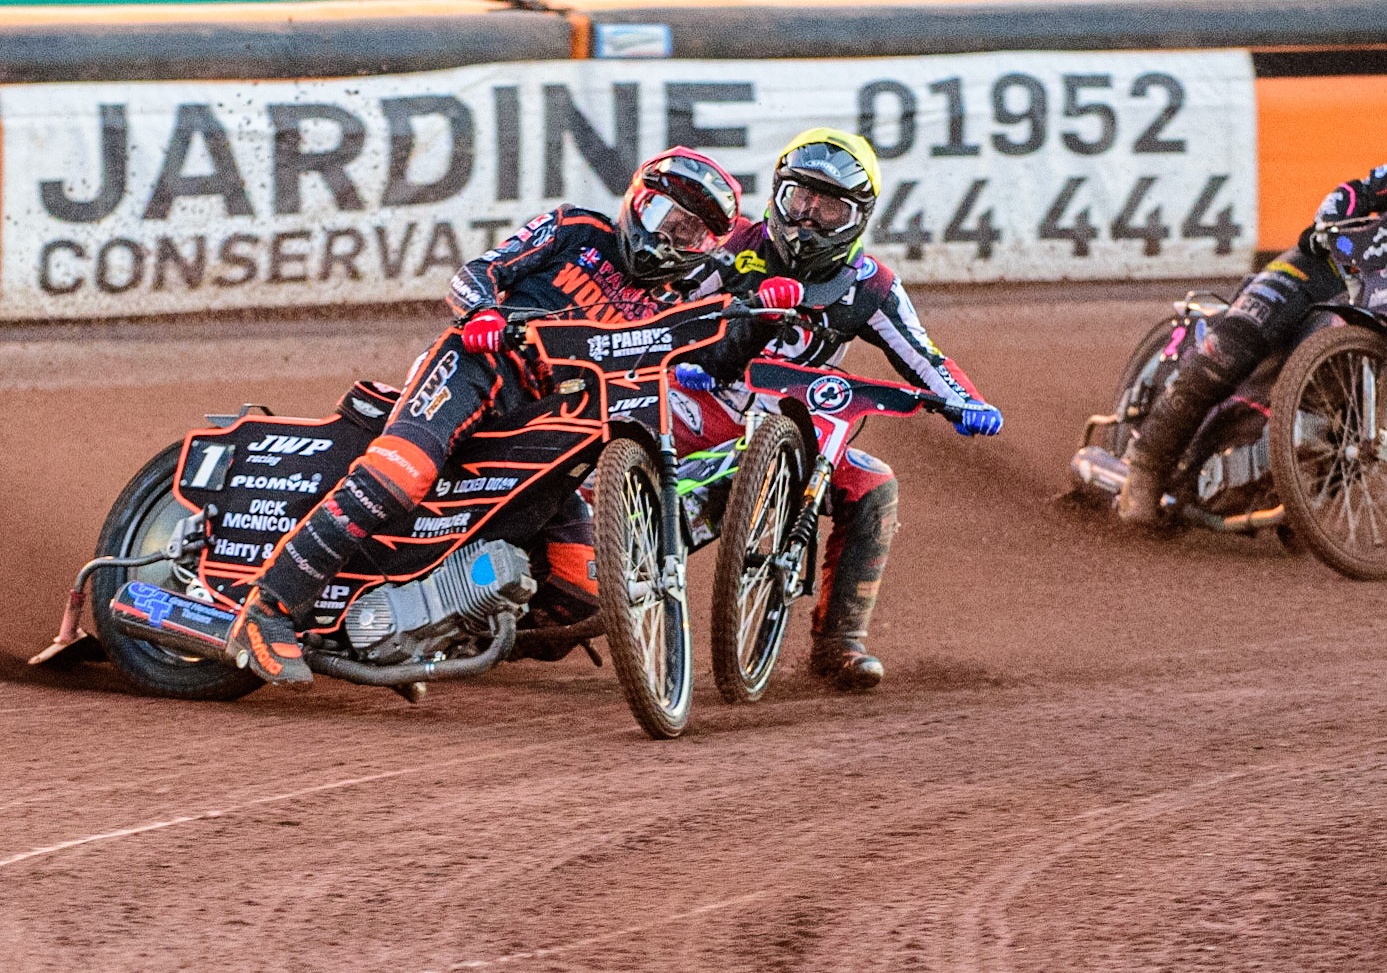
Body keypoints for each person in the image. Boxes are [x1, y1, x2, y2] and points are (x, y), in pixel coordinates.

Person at [224, 148, 744, 686]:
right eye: (663, 217)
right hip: (477, 367)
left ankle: (447, 628)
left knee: (583, 590)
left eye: (687, 234)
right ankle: (268, 608)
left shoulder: (674, 301)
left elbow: (722, 334)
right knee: (401, 473)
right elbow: (477, 273)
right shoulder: (575, 229)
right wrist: (483, 314)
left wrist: (773, 309)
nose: (668, 238)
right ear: (638, 203)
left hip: (550, 421)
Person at [1117, 95, 1387, 523]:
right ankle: (1146, 467)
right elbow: (1360, 191)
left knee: (1341, 415)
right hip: (1324, 264)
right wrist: (1325, 224)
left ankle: (1294, 494)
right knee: (1232, 345)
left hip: (1372, 328)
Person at [671, 128, 1003, 691]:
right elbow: (654, 309)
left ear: (859, 217)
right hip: (703, 402)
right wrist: (683, 353)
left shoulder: (870, 287)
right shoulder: (729, 250)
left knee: (874, 485)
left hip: (800, 435)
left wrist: (965, 402)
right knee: (618, 427)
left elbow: (924, 358)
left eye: (828, 209)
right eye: (799, 199)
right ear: (778, 194)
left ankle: (839, 644)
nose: (807, 220)